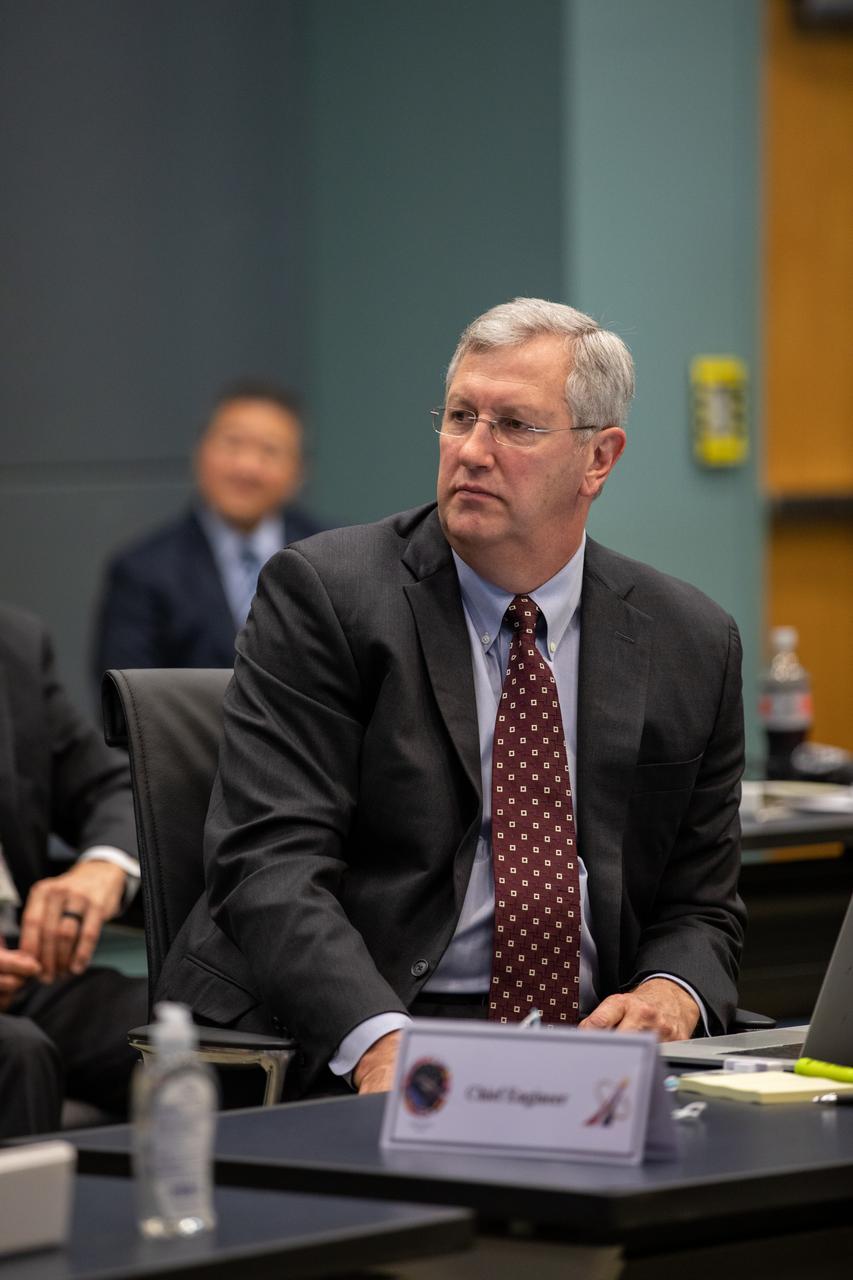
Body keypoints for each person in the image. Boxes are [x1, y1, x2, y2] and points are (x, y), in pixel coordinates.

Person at [157, 298, 746, 1099]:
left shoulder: (690, 640)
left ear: (598, 459)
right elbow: (268, 864)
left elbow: (700, 905)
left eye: (514, 426)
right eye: (460, 415)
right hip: (360, 1028)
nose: (472, 450)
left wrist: (667, 996)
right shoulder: (327, 595)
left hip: (587, 1054)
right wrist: (377, 1042)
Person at [0, 604, 146, 1139]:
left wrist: (102, 866)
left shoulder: (12, 641)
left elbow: (112, 787)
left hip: (31, 969)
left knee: (213, 1034)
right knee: (18, 1054)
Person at [93, 378, 325, 679]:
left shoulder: (330, 557)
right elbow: (127, 704)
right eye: (232, 443)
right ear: (200, 451)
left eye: (269, 450)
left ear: (299, 472)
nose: (247, 466)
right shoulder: (142, 571)